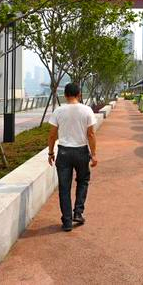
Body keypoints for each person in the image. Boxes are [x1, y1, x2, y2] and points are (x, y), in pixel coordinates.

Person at [47, 83, 98, 232]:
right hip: (81, 152)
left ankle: (67, 221)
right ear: (79, 94)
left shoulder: (58, 111)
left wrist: (50, 153)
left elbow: (52, 135)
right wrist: (94, 154)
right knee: (83, 181)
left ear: (65, 95)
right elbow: (91, 134)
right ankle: (78, 213)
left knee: (64, 187)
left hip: (63, 152)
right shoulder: (87, 110)